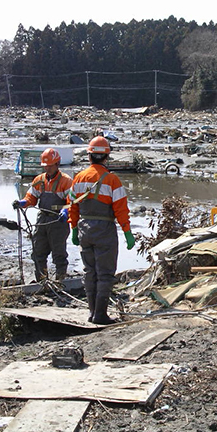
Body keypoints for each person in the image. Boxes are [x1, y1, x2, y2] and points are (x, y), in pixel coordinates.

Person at [68, 136, 135, 325]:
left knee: (90, 271)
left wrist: (73, 229)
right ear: (106, 157)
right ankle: (100, 315)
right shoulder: (112, 180)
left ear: (89, 157)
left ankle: (91, 313)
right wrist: (127, 232)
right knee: (105, 273)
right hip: (104, 229)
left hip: (84, 229)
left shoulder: (78, 178)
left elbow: (72, 206)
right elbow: (121, 209)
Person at [12, 148, 73, 282]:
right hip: (42, 220)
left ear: (57, 164)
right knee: (38, 252)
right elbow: (31, 198)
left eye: (50, 166)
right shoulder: (39, 180)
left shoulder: (66, 181)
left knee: (59, 254)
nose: (48, 169)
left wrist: (65, 211)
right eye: (45, 166)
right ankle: (42, 281)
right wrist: (22, 203)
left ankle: (60, 281)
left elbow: (72, 202)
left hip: (58, 221)